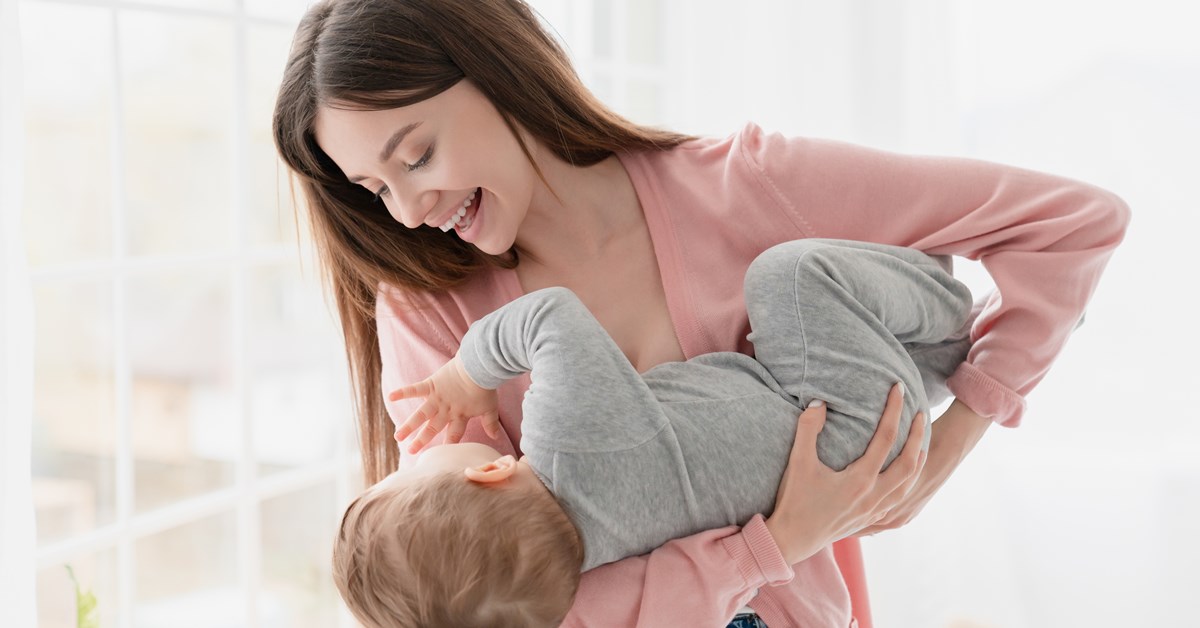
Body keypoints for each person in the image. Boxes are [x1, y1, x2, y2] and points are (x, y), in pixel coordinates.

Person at [271, 0, 1130, 625]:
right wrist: (774, 540)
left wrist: (950, 442)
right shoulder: (430, 311)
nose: (410, 210)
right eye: (376, 190)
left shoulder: (744, 188)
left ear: (495, 69)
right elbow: (505, 607)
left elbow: (1070, 225)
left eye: (416, 154)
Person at [332, 239, 976, 627]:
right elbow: (549, 316)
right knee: (787, 277)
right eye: (411, 470)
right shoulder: (569, 442)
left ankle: (943, 349)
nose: (415, 455)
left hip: (850, 454)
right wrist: (467, 371)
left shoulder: (594, 567)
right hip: (840, 422)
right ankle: (959, 307)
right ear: (490, 470)